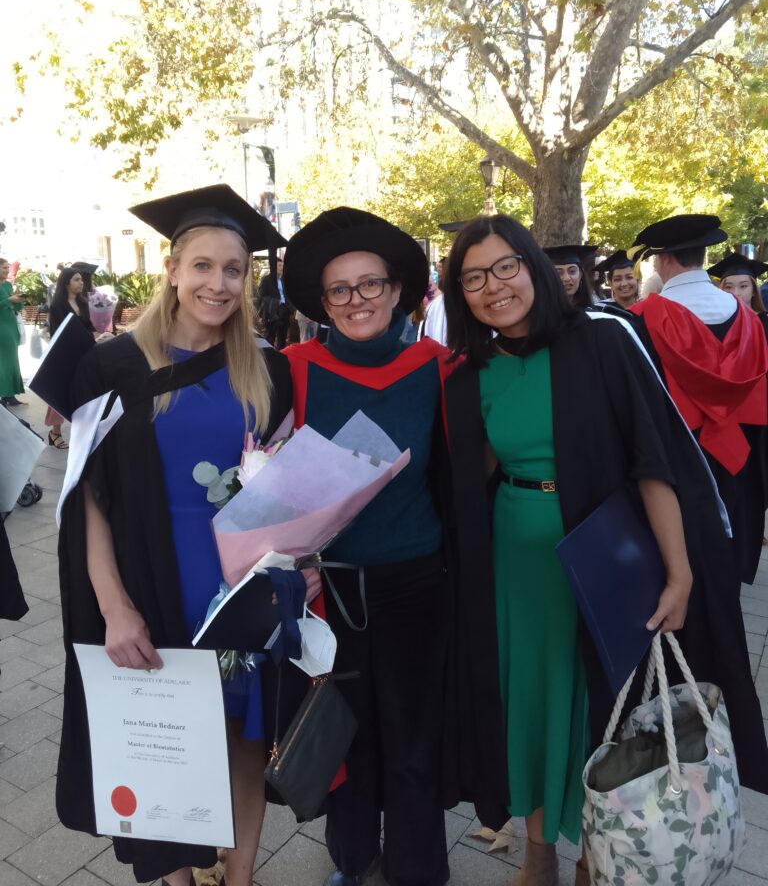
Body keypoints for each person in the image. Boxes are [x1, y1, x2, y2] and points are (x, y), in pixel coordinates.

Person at [442, 215, 768, 885]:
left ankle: (599, 851)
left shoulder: (603, 339)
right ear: (459, 293)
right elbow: (471, 477)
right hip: (517, 566)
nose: (492, 286)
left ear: (533, 266)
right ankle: (539, 851)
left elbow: (654, 460)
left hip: (600, 558)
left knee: (601, 707)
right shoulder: (470, 372)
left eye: (505, 267)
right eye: (473, 277)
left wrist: (678, 574)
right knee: (530, 704)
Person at [56, 186, 293, 886]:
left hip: (238, 581)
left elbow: (279, 481)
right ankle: (174, 875)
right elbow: (87, 499)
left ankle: (241, 874)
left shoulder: (266, 365)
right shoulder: (114, 366)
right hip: (153, 580)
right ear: (172, 267)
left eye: (233, 270)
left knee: (242, 738)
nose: (217, 284)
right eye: (203, 266)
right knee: (161, 739)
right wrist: (113, 604)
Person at [282, 207, 453, 886]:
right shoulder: (292, 369)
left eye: (370, 284)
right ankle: (354, 861)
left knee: (413, 735)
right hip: (332, 586)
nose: (357, 300)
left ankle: (417, 868)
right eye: (340, 290)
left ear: (397, 288)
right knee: (346, 732)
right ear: (322, 303)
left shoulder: (438, 368)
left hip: (417, 579)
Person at [629, 216, 768, 585]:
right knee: (723, 561)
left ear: (663, 260)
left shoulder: (639, 319)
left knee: (676, 557)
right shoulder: (748, 318)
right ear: (703, 256)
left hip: (674, 457)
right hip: (738, 455)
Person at [43, 267, 98, 449]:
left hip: (82, 352)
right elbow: (58, 332)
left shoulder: (82, 303)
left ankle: (83, 430)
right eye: (76, 279)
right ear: (66, 282)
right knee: (60, 394)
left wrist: (98, 336)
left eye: (81, 280)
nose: (80, 283)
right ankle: (55, 432)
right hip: (63, 354)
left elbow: (88, 327)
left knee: (81, 391)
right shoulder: (58, 305)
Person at [708, 251, 768, 336]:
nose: (736, 293)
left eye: (743, 286)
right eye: (728, 287)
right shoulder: (717, 323)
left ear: (754, 290)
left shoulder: (764, 324)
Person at [0, 258, 26, 407]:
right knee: (4, 362)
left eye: (7, 268)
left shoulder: (9, 285)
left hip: (11, 326)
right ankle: (6, 394)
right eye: (4, 268)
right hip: (1, 328)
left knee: (11, 361)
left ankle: (8, 394)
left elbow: (16, 308)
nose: (7, 271)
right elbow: (6, 303)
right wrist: (9, 300)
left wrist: (19, 300)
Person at [542, 244, 597, 309]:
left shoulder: (592, 314)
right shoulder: (540, 313)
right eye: (558, 273)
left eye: (572, 271)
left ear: (580, 274)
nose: (566, 278)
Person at [258, 256, 294, 349]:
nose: (282, 268)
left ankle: (281, 357)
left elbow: (288, 295)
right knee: (270, 338)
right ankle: (270, 359)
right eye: (279, 265)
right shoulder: (266, 280)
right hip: (272, 313)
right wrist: (276, 302)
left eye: (282, 265)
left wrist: (290, 308)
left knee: (282, 338)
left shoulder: (283, 281)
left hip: (284, 312)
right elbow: (262, 295)